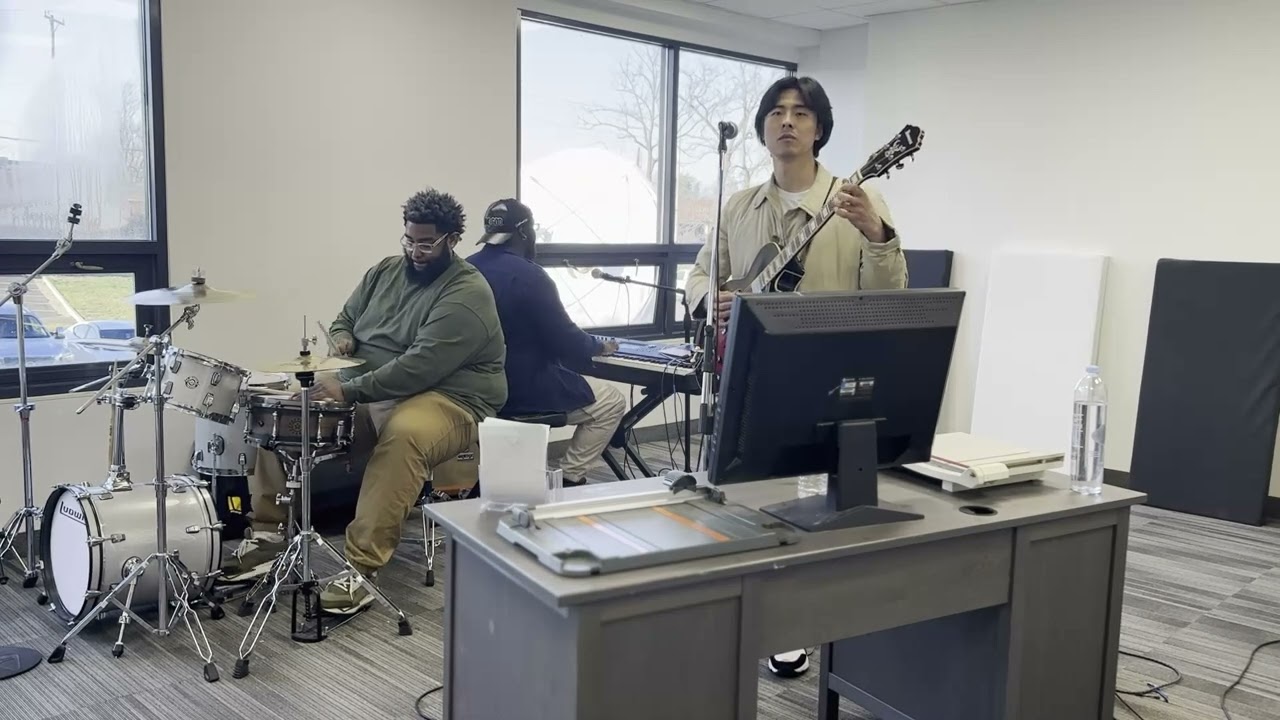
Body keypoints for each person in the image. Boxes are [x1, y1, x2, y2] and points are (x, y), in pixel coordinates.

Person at [684, 76, 908, 679]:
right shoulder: (738, 207)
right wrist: (715, 300)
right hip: (752, 374)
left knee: (818, 511)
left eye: (802, 113)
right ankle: (741, 615)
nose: (787, 121)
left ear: (819, 128)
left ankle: (803, 625)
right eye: (777, 112)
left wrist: (877, 236)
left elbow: (891, 298)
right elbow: (702, 275)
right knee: (746, 499)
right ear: (762, 128)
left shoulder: (857, 200)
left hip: (829, 376)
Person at [221, 188, 508, 616]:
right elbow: (345, 317)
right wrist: (341, 337)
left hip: (449, 395)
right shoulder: (384, 272)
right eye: (409, 240)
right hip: (370, 384)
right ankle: (266, 536)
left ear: (452, 239)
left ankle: (360, 568)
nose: (416, 251)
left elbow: (421, 366)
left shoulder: (467, 293)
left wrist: (350, 389)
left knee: (405, 436)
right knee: (285, 414)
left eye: (427, 243)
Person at [468, 198, 626, 486]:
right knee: (611, 401)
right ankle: (569, 478)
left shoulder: (464, 269)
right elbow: (567, 341)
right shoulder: (531, 276)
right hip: (522, 391)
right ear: (526, 233)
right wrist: (598, 346)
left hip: (474, 390)